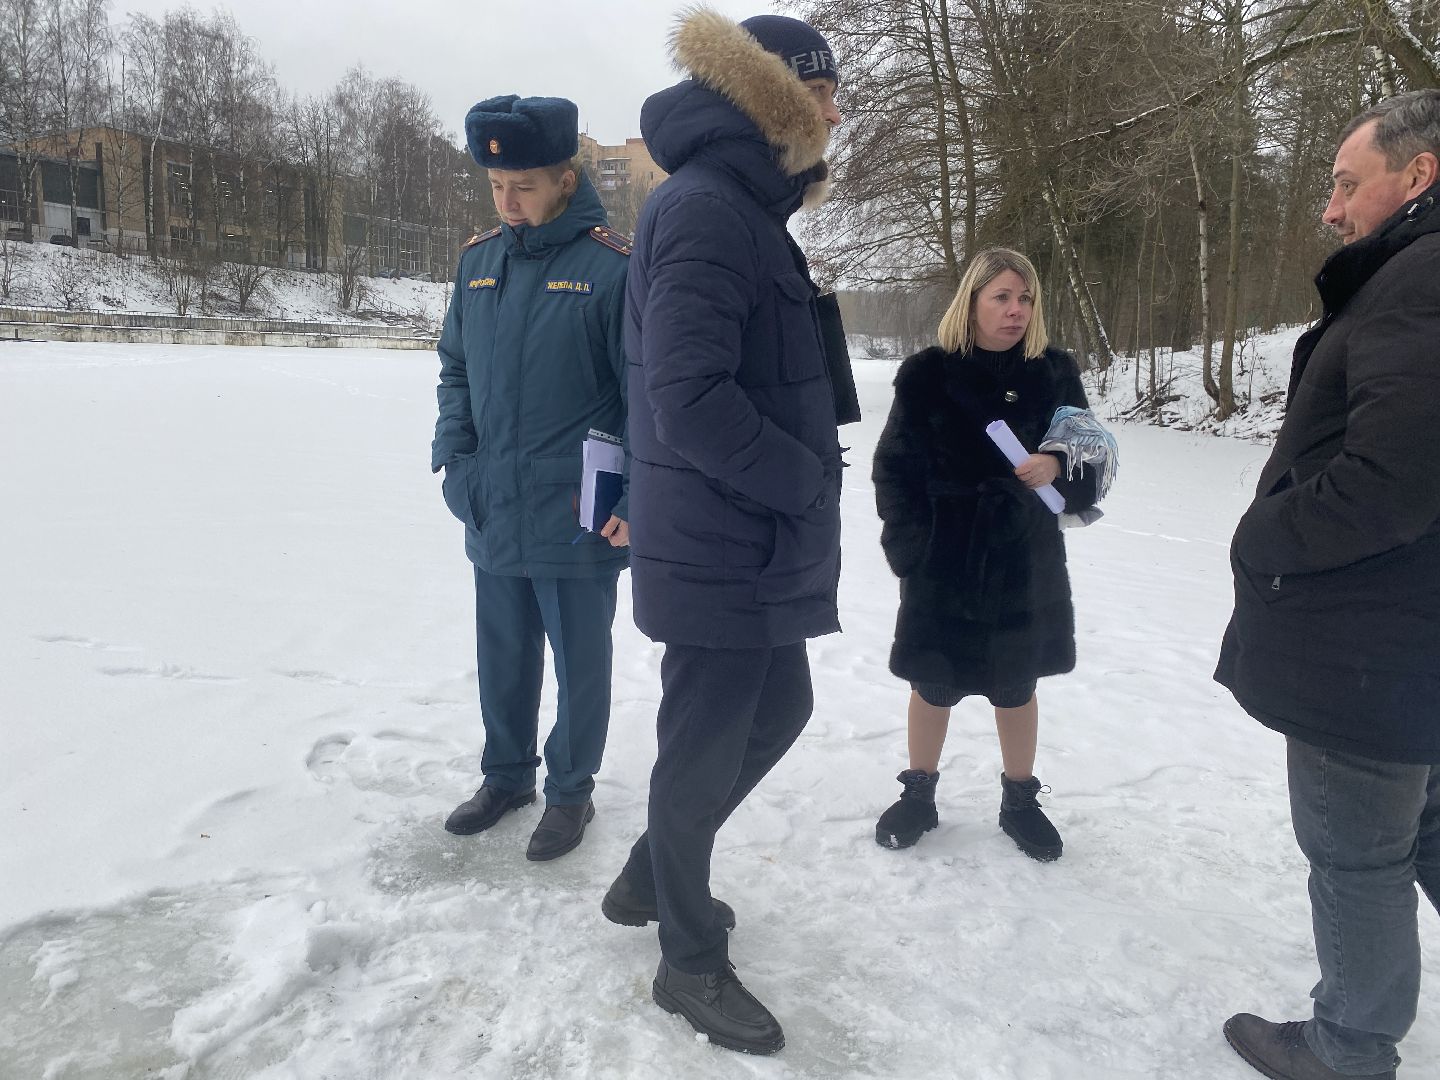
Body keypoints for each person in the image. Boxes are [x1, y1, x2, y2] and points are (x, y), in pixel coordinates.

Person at [597, 9, 848, 1057]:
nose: (837, 110)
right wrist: (799, 480)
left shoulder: (742, 206)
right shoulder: (707, 208)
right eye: (823, 88)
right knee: (700, 749)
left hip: (737, 534)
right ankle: (688, 959)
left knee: (778, 704)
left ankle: (650, 876)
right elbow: (690, 394)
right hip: (722, 535)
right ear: (775, 93)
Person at [1215, 89, 1440, 1080]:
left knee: (1361, 857)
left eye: (1347, 184)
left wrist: (1265, 530)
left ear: (1417, 176)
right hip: (1411, 640)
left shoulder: (1419, 279)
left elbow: (1393, 478)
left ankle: (1348, 1048)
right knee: (1423, 831)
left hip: (1374, 651)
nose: (1331, 209)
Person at [431, 94, 632, 863]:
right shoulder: (479, 263)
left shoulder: (612, 266)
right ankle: (506, 775)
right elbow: (455, 369)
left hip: (581, 504)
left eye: (524, 186)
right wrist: (457, 459)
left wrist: (633, 490)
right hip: (494, 498)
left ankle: (570, 793)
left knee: (581, 660)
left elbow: (642, 391)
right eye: (495, 187)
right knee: (503, 651)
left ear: (564, 178)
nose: (509, 204)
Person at [871, 248, 1101, 862]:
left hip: (1023, 556)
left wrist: (1057, 462)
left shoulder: (1055, 372)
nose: (1016, 309)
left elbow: (1093, 453)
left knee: (1017, 685)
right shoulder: (926, 373)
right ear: (971, 301)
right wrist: (910, 547)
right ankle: (918, 793)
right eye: (1001, 296)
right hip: (943, 556)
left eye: (1025, 298)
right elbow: (894, 469)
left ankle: (1020, 800)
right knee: (933, 682)